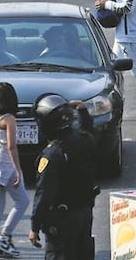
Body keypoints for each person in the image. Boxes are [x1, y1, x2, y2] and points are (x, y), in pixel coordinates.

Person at [28, 95, 97, 259]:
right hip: (84, 213)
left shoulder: (52, 155)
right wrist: (83, 112)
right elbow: (89, 133)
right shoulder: (83, 140)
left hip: (61, 219)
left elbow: (44, 192)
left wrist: (34, 226)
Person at [0, 82, 28, 258]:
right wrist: (18, 169)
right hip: (4, 162)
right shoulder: (9, 119)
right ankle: (4, 236)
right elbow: (12, 146)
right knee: (22, 201)